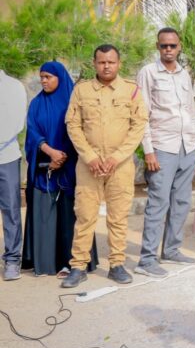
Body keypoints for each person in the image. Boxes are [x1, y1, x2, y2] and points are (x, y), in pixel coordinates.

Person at [61, 44, 147, 288]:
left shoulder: (131, 90)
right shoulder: (82, 90)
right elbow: (73, 125)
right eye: (102, 62)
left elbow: (138, 126)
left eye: (111, 62)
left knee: (118, 217)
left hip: (120, 166)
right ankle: (78, 266)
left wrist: (116, 157)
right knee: (85, 216)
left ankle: (116, 264)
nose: (106, 66)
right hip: (89, 166)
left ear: (119, 63)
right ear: (94, 64)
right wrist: (89, 156)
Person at [134, 28, 195, 277]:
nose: (169, 50)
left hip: (187, 147)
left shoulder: (184, 74)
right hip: (162, 147)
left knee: (182, 202)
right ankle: (147, 260)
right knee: (158, 203)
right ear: (158, 47)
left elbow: (190, 112)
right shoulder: (148, 73)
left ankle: (171, 250)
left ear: (179, 47)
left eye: (173, 46)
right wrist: (148, 151)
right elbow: (142, 115)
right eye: (164, 46)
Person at [21, 62, 98, 276]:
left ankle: (72, 263)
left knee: (71, 214)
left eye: (48, 77)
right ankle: (46, 263)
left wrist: (62, 156)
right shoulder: (36, 103)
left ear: (60, 78)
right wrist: (50, 152)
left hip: (72, 166)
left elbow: (81, 130)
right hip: (44, 167)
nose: (43, 81)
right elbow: (32, 133)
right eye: (41, 77)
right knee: (45, 215)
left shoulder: (74, 101)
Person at [0, 68, 27, 281]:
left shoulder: (14, 86)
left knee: (10, 209)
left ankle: (12, 259)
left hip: (6, 156)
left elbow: (18, 123)